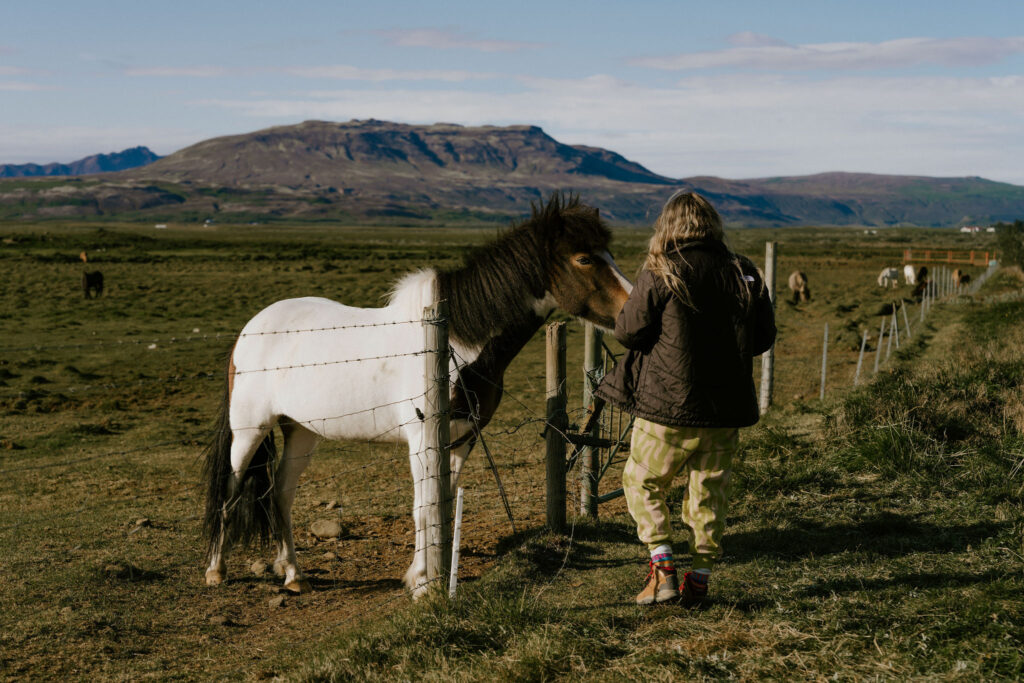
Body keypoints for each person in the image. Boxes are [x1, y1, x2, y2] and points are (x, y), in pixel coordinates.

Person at [595, 191, 776, 606]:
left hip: (667, 407)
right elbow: (763, 338)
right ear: (712, 224)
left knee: (641, 482)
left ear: (669, 225)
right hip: (725, 411)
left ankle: (663, 571)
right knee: (709, 493)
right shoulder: (744, 272)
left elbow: (629, 332)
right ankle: (701, 580)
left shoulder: (662, 270)